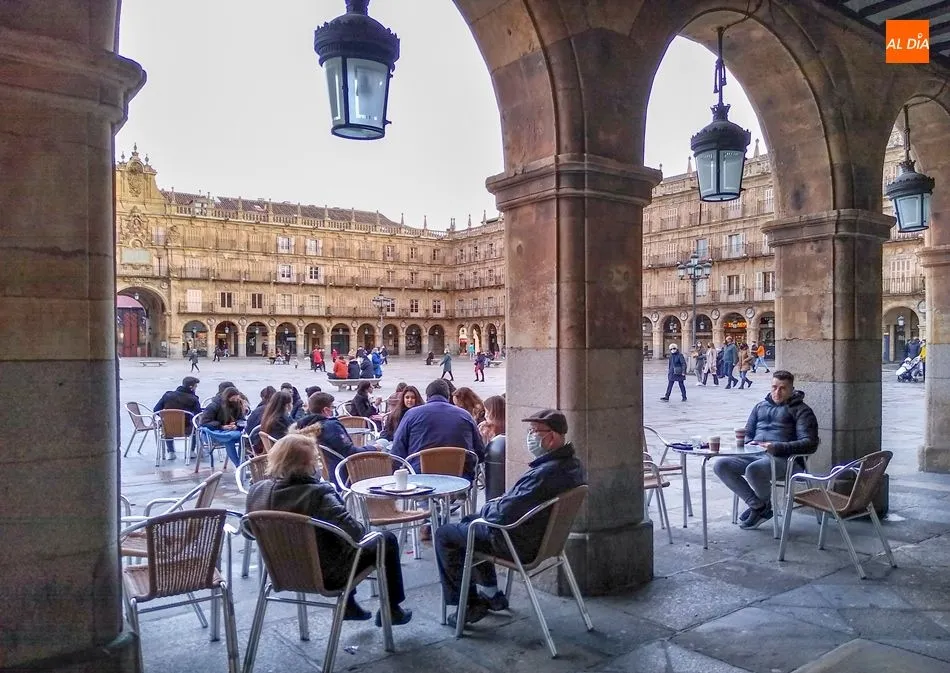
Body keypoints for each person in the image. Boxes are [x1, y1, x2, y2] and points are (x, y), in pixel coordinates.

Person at [435, 409, 585, 626]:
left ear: (551, 437)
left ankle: (468, 604)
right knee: (469, 523)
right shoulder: (571, 465)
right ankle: (491, 593)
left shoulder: (545, 473)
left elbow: (503, 514)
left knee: (445, 534)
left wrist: (489, 507)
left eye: (534, 431)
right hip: (541, 539)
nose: (530, 436)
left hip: (516, 542)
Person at [246, 435, 412, 626]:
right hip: (327, 575)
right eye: (316, 459)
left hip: (281, 572)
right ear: (307, 465)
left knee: (330, 539)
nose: (319, 463)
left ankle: (350, 606)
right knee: (385, 539)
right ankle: (391, 610)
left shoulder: (257, 491)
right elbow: (357, 534)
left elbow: (249, 532)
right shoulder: (319, 494)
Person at [712, 370, 819, 530]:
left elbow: (810, 443)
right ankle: (759, 506)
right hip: (754, 454)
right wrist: (749, 442)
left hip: (786, 460)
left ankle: (760, 508)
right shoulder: (760, 406)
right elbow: (748, 432)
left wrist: (776, 447)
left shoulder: (802, 410)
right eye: (774, 387)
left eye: (782, 388)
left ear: (792, 389)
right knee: (721, 465)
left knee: (754, 470)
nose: (777, 392)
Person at [390, 379, 485, 479]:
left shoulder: (412, 414)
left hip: (420, 479)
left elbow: (397, 449)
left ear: (427, 397)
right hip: (459, 480)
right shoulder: (465, 416)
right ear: (448, 397)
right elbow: (480, 452)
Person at [293, 392, 358, 483]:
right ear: (326, 410)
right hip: (347, 472)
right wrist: (373, 448)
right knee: (383, 444)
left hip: (326, 472)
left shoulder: (304, 427)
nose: (333, 410)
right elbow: (349, 452)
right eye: (332, 407)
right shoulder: (331, 426)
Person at [153, 376, 202, 460]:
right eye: (195, 386)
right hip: (186, 428)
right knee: (195, 424)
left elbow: (156, 409)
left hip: (168, 427)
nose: (195, 388)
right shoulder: (193, 399)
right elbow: (197, 414)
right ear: (191, 387)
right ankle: (191, 451)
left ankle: (171, 452)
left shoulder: (167, 395)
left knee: (167, 423)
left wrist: (165, 417)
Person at [198, 386, 247, 466]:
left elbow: (242, 420)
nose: (235, 401)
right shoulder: (213, 406)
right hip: (213, 432)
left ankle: (240, 464)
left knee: (239, 439)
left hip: (229, 431)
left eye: (236, 399)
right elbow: (204, 423)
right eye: (233, 399)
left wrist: (236, 425)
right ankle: (240, 465)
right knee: (232, 439)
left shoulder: (236, 405)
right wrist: (221, 426)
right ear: (228, 397)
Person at [479, 395, 507, 500]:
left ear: (493, 412)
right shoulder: (508, 426)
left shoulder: (487, 430)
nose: (485, 415)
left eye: (487, 411)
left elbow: (482, 452)